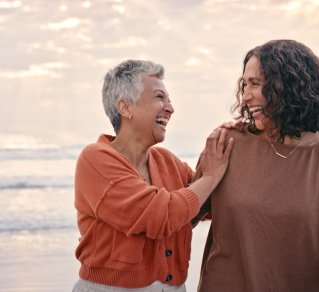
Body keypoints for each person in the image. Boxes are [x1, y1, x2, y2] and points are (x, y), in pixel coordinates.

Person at [72, 60, 234, 292]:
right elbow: (160, 216)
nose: (170, 108)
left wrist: (232, 140)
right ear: (126, 108)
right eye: (160, 97)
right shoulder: (96, 159)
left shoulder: (166, 161)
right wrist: (209, 177)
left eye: (169, 100)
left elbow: (208, 201)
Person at [197, 40, 319, 292]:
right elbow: (184, 216)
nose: (245, 96)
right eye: (244, 84)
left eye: (255, 84)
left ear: (288, 85)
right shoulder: (229, 143)